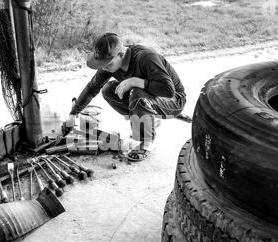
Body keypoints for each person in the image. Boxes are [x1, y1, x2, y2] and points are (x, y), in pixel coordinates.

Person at [66, 32, 187, 161]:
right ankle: (145, 120)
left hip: (173, 101)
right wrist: (73, 113)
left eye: (108, 64)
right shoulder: (110, 65)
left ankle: (145, 143)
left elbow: (168, 90)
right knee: (108, 90)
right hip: (149, 98)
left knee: (137, 94)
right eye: (102, 64)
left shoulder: (146, 57)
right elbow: (92, 88)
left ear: (121, 54)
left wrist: (135, 81)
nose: (104, 68)